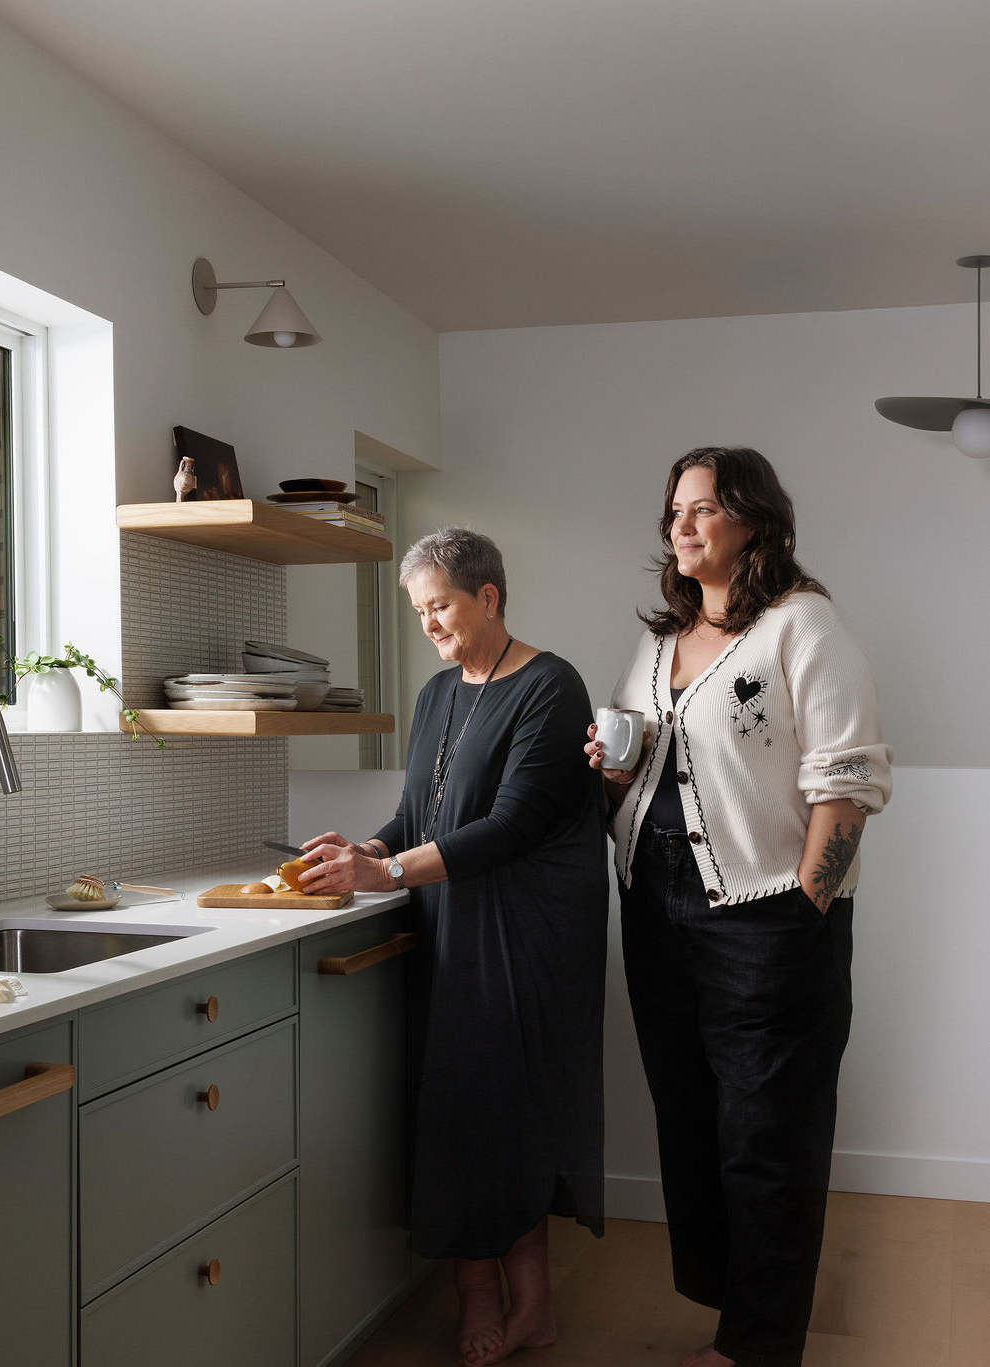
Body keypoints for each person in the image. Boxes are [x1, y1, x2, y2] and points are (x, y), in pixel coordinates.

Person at [587, 448, 892, 1367]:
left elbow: (847, 780)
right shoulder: (658, 642)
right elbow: (645, 768)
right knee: (691, 1121)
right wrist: (609, 771)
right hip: (654, 905)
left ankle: (757, 1347)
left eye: (704, 508)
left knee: (768, 1137)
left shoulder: (803, 625)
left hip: (766, 917)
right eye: (675, 509)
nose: (680, 525)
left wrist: (806, 908)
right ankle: (738, 1314)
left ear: (753, 519)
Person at [297, 527, 608, 1367]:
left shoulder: (549, 686)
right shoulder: (437, 692)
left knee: (509, 1116)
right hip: (449, 929)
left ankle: (530, 1304)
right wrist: (363, 850)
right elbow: (417, 817)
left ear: (488, 596)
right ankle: (481, 1294)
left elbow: (509, 827)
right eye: (419, 611)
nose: (428, 623)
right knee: (458, 1117)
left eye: (439, 605)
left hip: (526, 938)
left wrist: (387, 870)